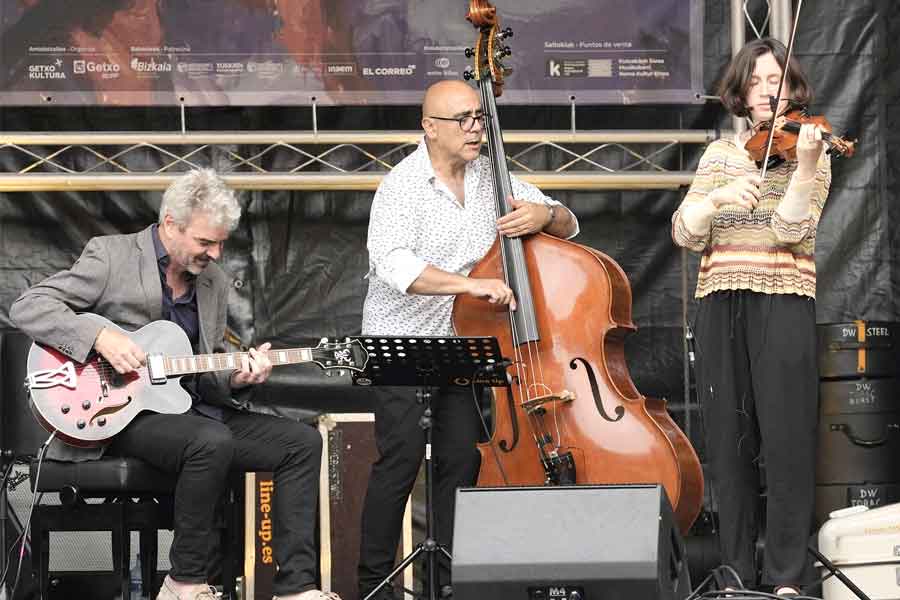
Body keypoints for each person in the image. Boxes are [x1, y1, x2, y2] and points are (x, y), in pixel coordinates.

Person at [10, 169, 339, 600]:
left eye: (221, 242)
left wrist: (237, 376)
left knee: (300, 443)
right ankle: (183, 582)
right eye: (205, 242)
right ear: (170, 224)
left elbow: (207, 369)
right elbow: (29, 306)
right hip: (117, 416)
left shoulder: (214, 283)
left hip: (188, 413)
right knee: (210, 440)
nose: (216, 253)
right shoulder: (112, 256)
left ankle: (295, 587)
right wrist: (100, 337)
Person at [358, 80, 579, 600]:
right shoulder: (402, 185)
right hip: (403, 342)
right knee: (401, 459)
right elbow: (393, 264)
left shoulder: (493, 179)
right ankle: (372, 587)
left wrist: (546, 215)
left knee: (462, 459)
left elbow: (570, 224)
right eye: (462, 119)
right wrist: (470, 284)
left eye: (479, 117)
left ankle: (448, 583)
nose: (476, 127)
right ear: (429, 128)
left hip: (461, 343)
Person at [672, 38, 830, 597]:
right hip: (721, 301)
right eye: (759, 80)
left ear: (793, 91)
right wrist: (716, 202)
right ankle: (736, 575)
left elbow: (792, 231)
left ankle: (788, 578)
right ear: (740, 92)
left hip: (784, 298)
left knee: (787, 442)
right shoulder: (719, 156)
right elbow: (686, 233)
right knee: (728, 442)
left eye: (779, 81)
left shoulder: (811, 151)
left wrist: (807, 165)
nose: (769, 89)